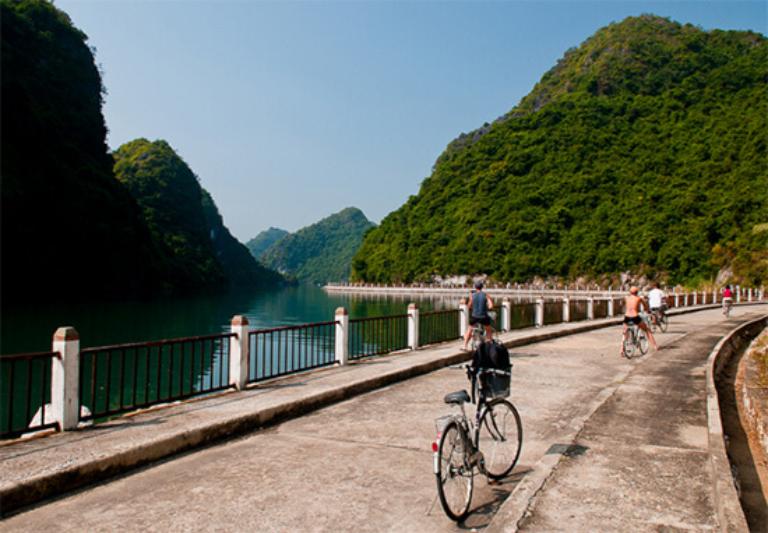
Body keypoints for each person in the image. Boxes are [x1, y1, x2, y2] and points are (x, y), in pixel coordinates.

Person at [622, 286, 658, 353]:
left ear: (630, 292)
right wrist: (648, 311)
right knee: (647, 330)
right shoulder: (639, 298)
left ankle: (621, 350)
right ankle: (655, 346)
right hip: (635, 316)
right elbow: (646, 307)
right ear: (637, 292)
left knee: (625, 332)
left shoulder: (626, 298)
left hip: (626, 316)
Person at [462, 281, 494, 350]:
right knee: (488, 330)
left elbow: (469, 306)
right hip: (483, 316)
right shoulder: (486, 295)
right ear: (482, 287)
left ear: (475, 287)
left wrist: (472, 306)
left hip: (474, 316)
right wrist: (488, 307)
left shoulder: (472, 296)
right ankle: (489, 345)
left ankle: (465, 346)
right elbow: (491, 306)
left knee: (469, 330)